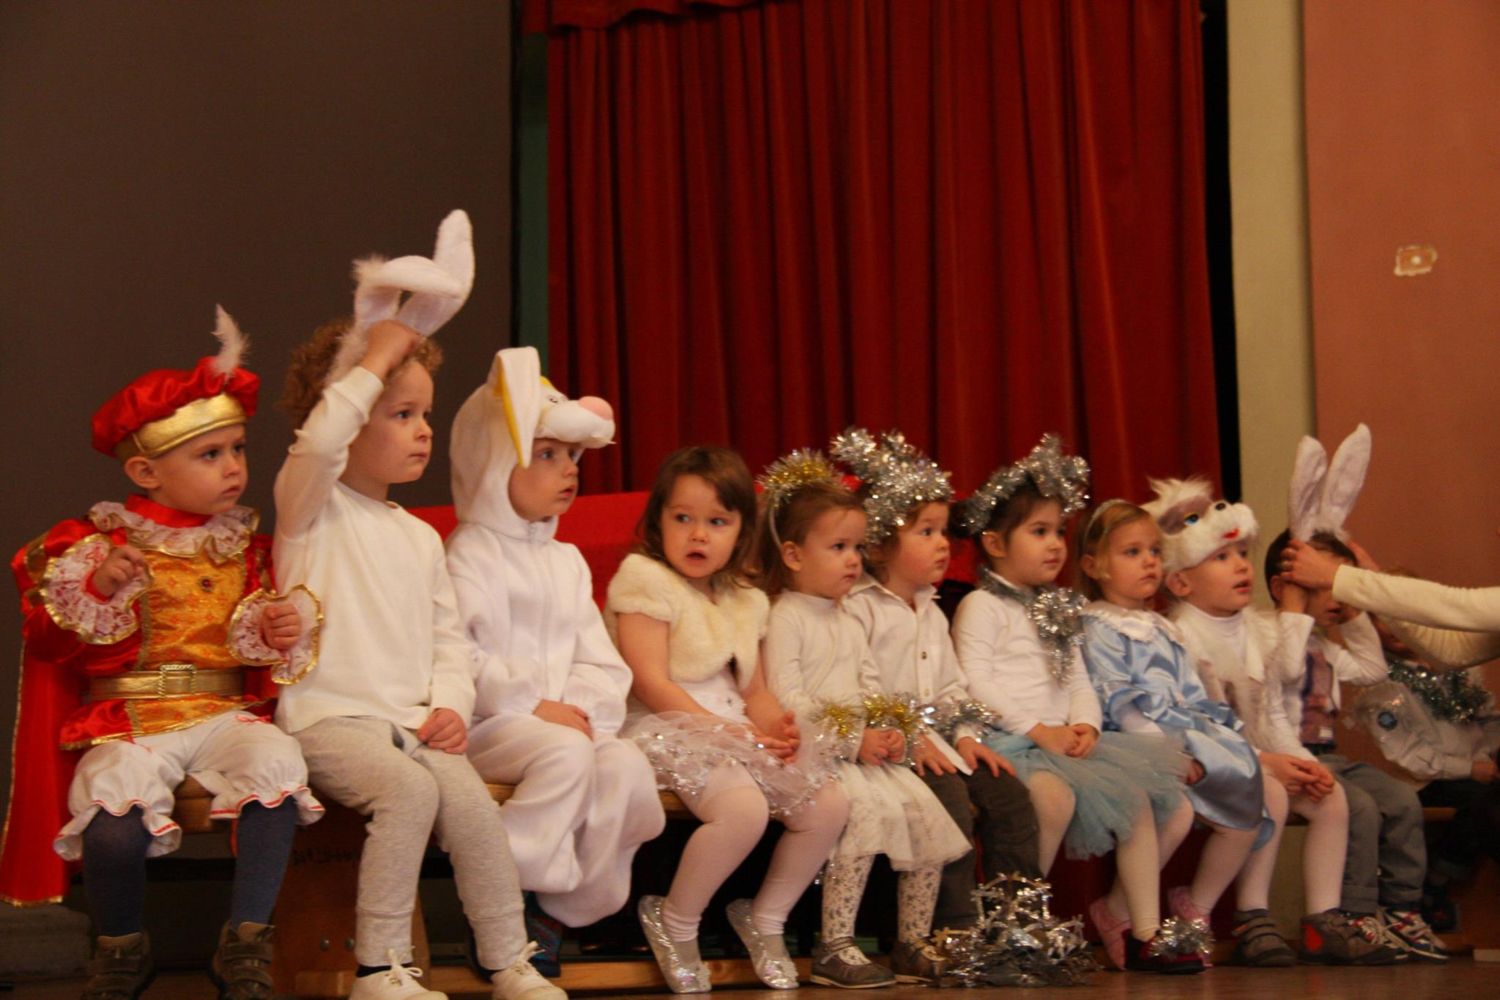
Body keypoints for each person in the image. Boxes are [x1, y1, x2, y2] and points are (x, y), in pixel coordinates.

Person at [272, 213, 563, 1000]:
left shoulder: (421, 537)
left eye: (425, 415)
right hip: (330, 721)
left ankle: (507, 958)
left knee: (469, 804)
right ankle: (379, 967)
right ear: (347, 412)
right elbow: (320, 442)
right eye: (401, 414)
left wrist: (450, 707)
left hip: (409, 724)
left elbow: (447, 641)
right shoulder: (309, 507)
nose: (423, 432)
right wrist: (372, 360)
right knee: (408, 792)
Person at [3, 310, 322, 1000]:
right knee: (113, 820)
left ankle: (246, 943)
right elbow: (51, 641)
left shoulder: (247, 547)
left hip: (221, 710)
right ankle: (121, 948)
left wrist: (277, 627)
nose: (233, 467)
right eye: (210, 455)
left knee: (276, 766)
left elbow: (262, 644)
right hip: (131, 721)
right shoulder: (98, 544)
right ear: (146, 470)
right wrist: (99, 587)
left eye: (237, 449)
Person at [447, 346, 663, 972]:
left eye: (572, 456)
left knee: (624, 764)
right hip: (487, 725)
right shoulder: (470, 552)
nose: (569, 469)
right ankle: (498, 905)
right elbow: (458, 654)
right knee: (565, 754)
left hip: (559, 726)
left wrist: (584, 710)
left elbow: (600, 661)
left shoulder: (566, 561)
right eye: (547, 454)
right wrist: (533, 705)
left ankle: (558, 913)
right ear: (494, 463)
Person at [950, 438, 1201, 974]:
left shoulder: (1060, 608)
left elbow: (1078, 678)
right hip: (1010, 740)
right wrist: (1039, 730)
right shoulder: (981, 605)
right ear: (994, 543)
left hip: (1061, 739)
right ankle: (1017, 922)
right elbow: (975, 683)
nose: (1055, 545)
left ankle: (1144, 933)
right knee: (1052, 799)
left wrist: (1087, 724)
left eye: (1059, 531)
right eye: (1038, 532)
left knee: (1136, 797)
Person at [604, 446, 848, 993]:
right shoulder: (644, 580)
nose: (698, 535)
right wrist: (727, 734)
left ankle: (766, 918)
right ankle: (675, 920)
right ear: (657, 521)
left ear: (740, 533)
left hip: (732, 726)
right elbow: (651, 681)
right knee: (742, 809)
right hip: (665, 722)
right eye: (683, 518)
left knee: (828, 804)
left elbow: (753, 689)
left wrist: (776, 730)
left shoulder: (745, 599)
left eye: (717, 522)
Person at [1151, 478, 1397, 965]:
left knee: (1330, 796)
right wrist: (1265, 763)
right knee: (1272, 794)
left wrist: (1300, 761)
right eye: (1222, 558)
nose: (1241, 565)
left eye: (1242, 554)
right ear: (1180, 583)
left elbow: (1274, 710)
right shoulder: (1179, 637)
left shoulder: (1258, 630)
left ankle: (1323, 917)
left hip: (1256, 759)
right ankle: (1251, 914)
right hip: (1202, 763)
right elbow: (1195, 728)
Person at [760, 451, 970, 988]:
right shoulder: (786, 616)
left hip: (863, 751)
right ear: (793, 554)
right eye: (838, 548)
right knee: (862, 823)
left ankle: (911, 941)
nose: (853, 560)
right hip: (820, 754)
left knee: (924, 818)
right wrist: (853, 739)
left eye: (857, 547)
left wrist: (892, 730)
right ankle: (834, 944)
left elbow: (872, 686)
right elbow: (788, 698)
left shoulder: (848, 616)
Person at [829, 428, 1039, 939]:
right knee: (948, 803)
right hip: (889, 745)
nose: (943, 544)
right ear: (881, 544)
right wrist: (911, 737)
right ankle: (954, 928)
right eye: (926, 532)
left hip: (939, 742)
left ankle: (1018, 923)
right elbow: (863, 687)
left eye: (943, 532)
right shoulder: (858, 608)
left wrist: (965, 735)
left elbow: (950, 689)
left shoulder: (931, 610)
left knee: (1009, 797)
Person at [1262, 530, 1447, 962]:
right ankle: (1353, 913)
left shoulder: (1326, 645)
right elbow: (1285, 670)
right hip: (1287, 758)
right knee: (1359, 806)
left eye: (1341, 583)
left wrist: (1354, 613)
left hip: (1331, 757)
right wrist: (1293, 611)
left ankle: (1399, 908)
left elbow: (1371, 668)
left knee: (1401, 799)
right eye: (1323, 585)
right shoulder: (1267, 636)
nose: (1336, 596)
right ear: (1283, 587)